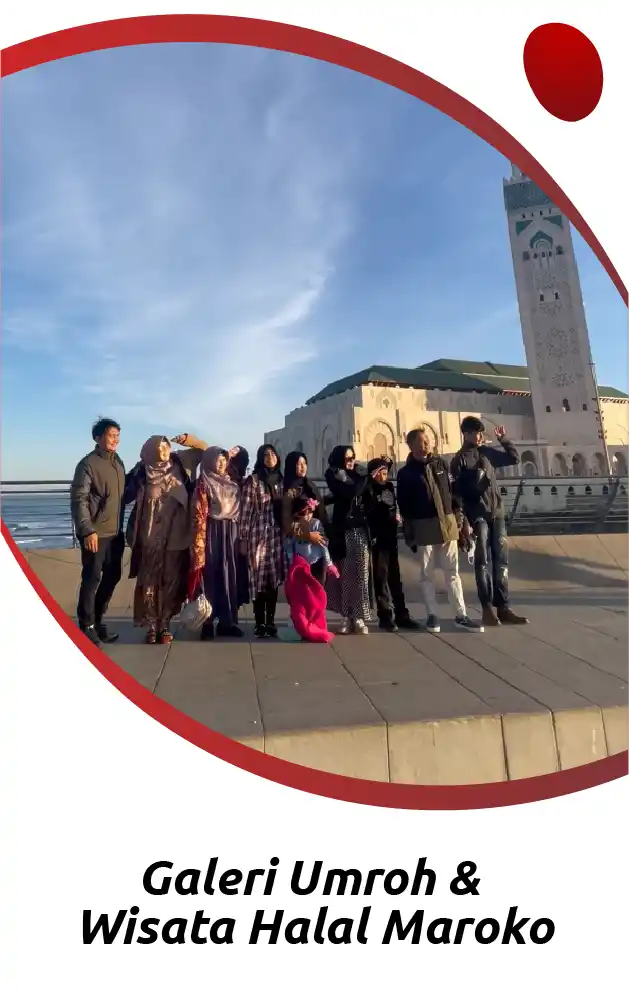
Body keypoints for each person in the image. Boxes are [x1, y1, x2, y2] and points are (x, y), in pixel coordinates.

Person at [396, 428, 483, 634]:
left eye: (427, 441)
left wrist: (460, 520)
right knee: (427, 573)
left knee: (452, 571)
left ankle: (460, 614)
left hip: (447, 523)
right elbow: (405, 505)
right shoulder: (406, 473)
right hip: (423, 526)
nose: (425, 445)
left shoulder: (441, 464)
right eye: (420, 442)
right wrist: (410, 531)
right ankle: (432, 614)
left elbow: (453, 493)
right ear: (411, 445)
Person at [124, 433, 207, 644]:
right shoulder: (142, 471)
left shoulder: (182, 462)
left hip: (176, 536)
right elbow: (122, 495)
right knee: (149, 581)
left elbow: (204, 452)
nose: (164, 451)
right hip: (150, 535)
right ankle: (152, 625)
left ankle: (166, 624)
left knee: (171, 580)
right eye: (159, 448)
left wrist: (189, 439)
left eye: (166, 446)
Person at [450, 417, 529, 627]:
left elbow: (514, 459)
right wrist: (462, 522)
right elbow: (456, 495)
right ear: (466, 434)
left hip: (497, 513)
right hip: (477, 516)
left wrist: (504, 439)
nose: (479, 437)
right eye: (476, 433)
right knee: (482, 562)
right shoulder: (459, 460)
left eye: (481, 433)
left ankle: (503, 607)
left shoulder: (487, 453)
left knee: (501, 561)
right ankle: (486, 608)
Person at [70, 417, 126, 647]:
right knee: (92, 578)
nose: (116, 440)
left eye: (118, 436)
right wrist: (87, 531)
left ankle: (98, 619)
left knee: (113, 576)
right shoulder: (87, 464)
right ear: (98, 437)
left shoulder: (118, 462)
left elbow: (123, 493)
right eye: (111, 435)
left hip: (115, 533)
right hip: (96, 534)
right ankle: (86, 625)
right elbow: (79, 498)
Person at [188, 446, 244, 640]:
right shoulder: (203, 482)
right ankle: (207, 622)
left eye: (224, 460)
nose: (221, 464)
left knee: (229, 574)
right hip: (211, 531)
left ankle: (227, 622)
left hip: (231, 531)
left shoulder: (232, 482)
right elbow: (197, 513)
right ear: (210, 461)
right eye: (218, 460)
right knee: (210, 575)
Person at [325, 445, 376, 635]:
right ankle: (346, 615)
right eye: (347, 458)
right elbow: (349, 492)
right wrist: (366, 479)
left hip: (360, 529)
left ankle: (360, 615)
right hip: (343, 530)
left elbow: (368, 498)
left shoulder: (360, 474)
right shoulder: (333, 474)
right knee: (345, 573)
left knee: (361, 573)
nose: (351, 461)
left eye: (353, 457)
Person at [366, 456, 418, 633]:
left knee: (395, 577)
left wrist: (396, 518)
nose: (384, 476)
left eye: (385, 472)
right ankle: (385, 615)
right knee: (381, 577)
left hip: (390, 536)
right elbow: (371, 512)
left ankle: (402, 614)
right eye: (380, 473)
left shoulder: (388, 486)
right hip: (378, 538)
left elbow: (392, 506)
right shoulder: (369, 489)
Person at [239, 444, 286, 639]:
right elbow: (246, 509)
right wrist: (243, 537)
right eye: (266, 455)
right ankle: (259, 622)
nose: (270, 457)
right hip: (257, 533)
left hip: (276, 535)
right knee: (258, 578)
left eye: (273, 454)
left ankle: (271, 621)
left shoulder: (281, 480)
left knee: (273, 579)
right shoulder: (254, 481)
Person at [282, 450, 329, 585]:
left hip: (317, 547)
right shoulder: (288, 491)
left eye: (304, 463)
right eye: (298, 464)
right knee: (302, 588)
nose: (303, 467)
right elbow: (286, 521)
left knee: (318, 586)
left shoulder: (310, 486)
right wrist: (307, 535)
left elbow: (321, 510)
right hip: (298, 548)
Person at [283, 496, 340, 580]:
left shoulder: (316, 524)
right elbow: (289, 545)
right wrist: (292, 562)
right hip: (301, 565)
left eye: (311, 511)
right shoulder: (294, 527)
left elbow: (323, 544)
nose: (309, 515)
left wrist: (329, 563)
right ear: (297, 514)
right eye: (306, 512)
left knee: (319, 586)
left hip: (317, 563)